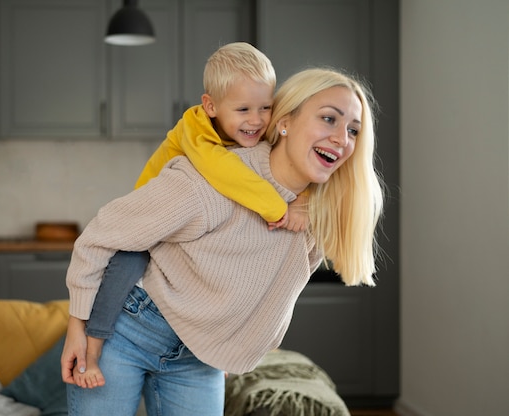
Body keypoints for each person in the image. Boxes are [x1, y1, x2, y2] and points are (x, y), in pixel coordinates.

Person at [61, 67, 384, 415]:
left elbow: (267, 292)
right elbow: (99, 236)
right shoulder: (212, 179)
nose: (342, 138)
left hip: (199, 361)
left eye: (353, 130)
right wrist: (78, 326)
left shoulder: (316, 217)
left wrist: (230, 342)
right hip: (128, 333)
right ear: (285, 122)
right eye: (329, 119)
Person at [73, 42, 310, 390]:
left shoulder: (246, 132)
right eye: (243, 108)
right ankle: (92, 352)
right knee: (121, 274)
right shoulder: (196, 131)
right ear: (210, 106)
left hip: (179, 232)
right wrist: (279, 208)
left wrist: (304, 197)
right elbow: (226, 174)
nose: (256, 120)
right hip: (149, 221)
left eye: (265, 107)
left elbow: (289, 164)